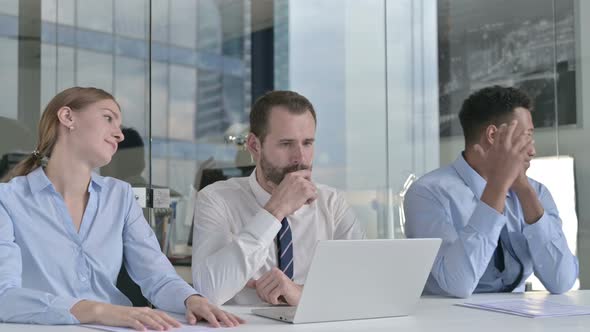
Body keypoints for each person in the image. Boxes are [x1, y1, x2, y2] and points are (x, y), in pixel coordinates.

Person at [0, 87, 244, 330]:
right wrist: (97, 310)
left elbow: (157, 277)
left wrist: (191, 299)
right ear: (67, 117)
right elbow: (4, 296)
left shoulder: (120, 196)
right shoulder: (8, 200)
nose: (120, 135)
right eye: (108, 118)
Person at [191, 90, 365, 305]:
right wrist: (274, 211)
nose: (300, 158)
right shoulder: (217, 199)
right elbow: (208, 291)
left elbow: (361, 287)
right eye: (286, 144)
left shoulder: (332, 203)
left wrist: (300, 295)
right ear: (255, 146)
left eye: (307, 143)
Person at [404, 85, 579, 298]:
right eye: (526, 137)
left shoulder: (537, 192)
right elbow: (457, 283)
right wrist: (497, 186)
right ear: (493, 135)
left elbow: (562, 281)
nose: (533, 151)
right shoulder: (428, 194)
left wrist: (524, 190)